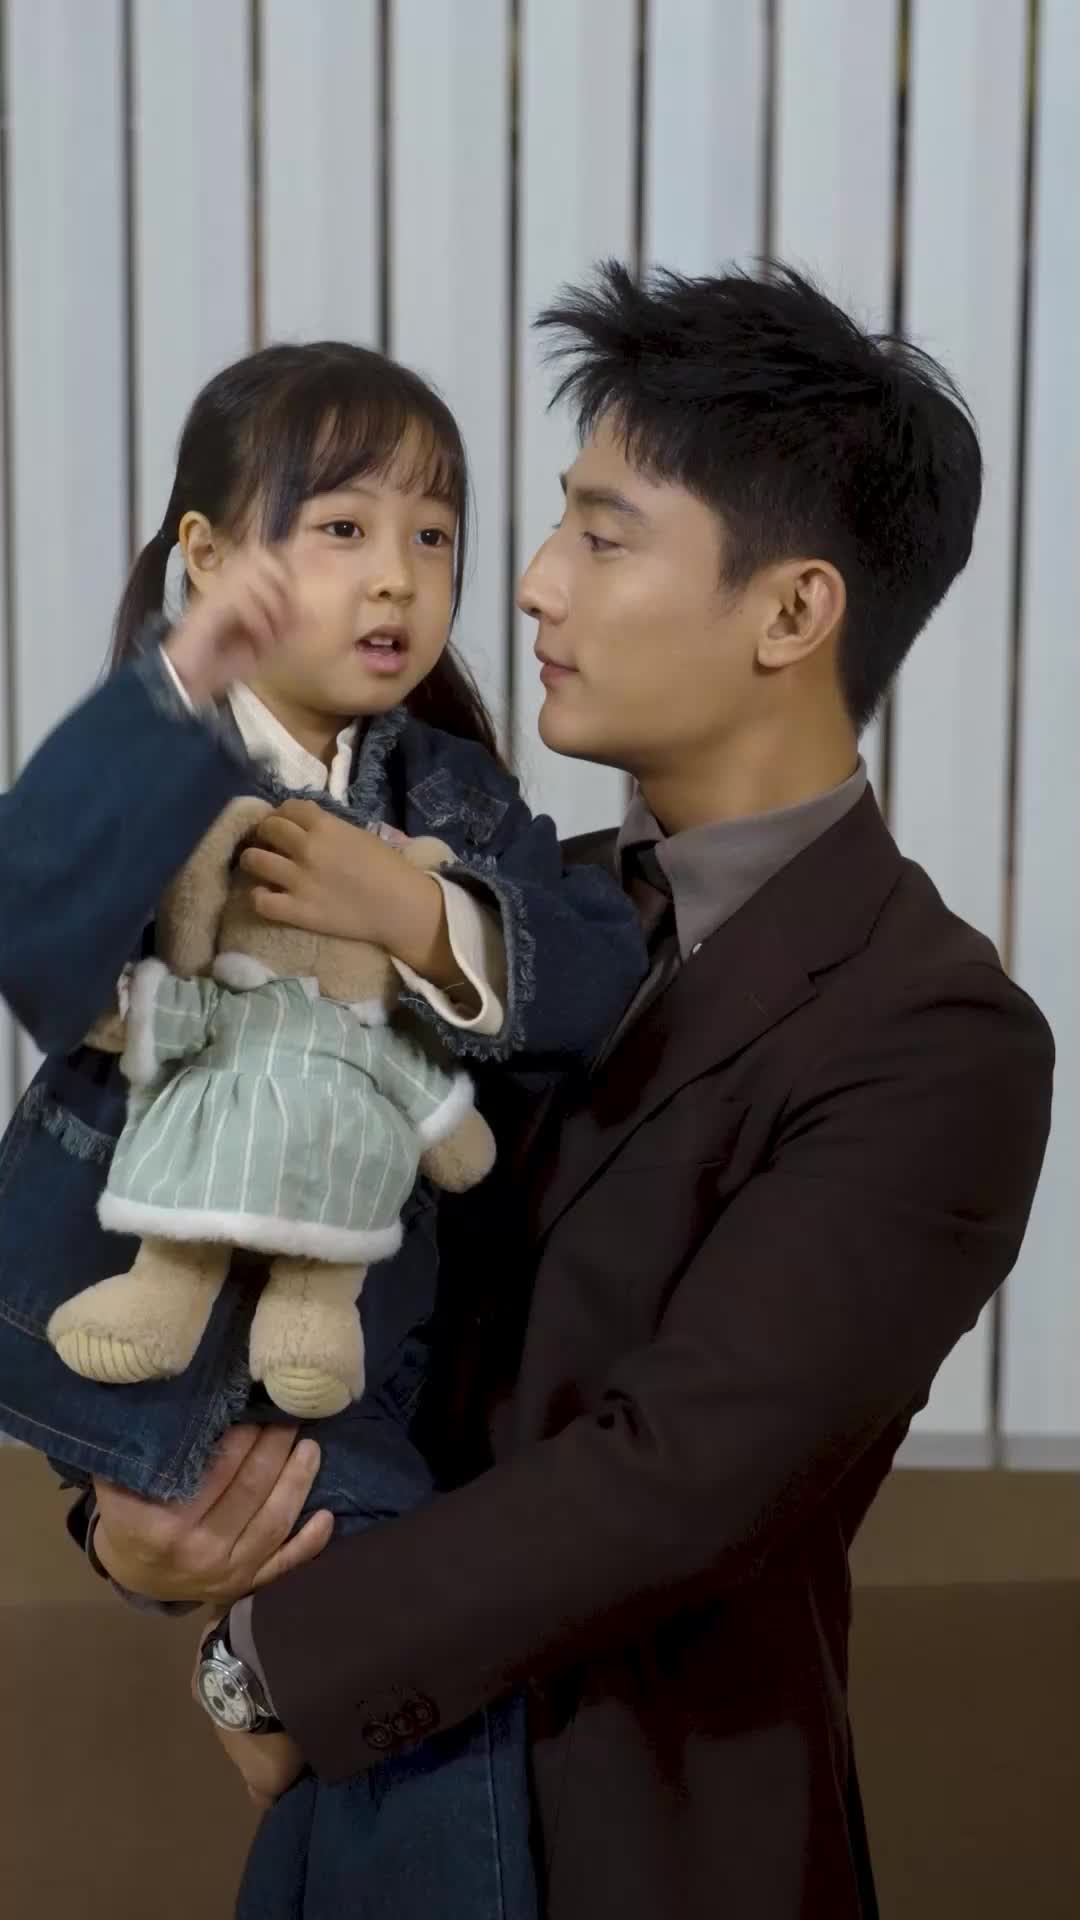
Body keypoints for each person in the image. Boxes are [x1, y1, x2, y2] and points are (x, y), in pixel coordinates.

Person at [29, 264, 1054, 1919]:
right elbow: (243, 1192)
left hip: (653, 1846)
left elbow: (679, 1479)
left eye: (603, 533)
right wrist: (130, 1521)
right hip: (354, 1839)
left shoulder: (937, 1035)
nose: (527, 583)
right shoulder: (477, 909)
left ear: (792, 614)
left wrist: (266, 1662)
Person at [0, 340, 647, 1918]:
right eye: (342, 529)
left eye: (434, 537)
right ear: (211, 554)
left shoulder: (451, 796)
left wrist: (417, 912)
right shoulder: (157, 765)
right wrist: (179, 683)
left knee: (352, 1741)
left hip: (356, 1360)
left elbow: (596, 975)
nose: (397, 577)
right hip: (162, 1357)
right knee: (428, 1673)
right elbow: (32, 923)